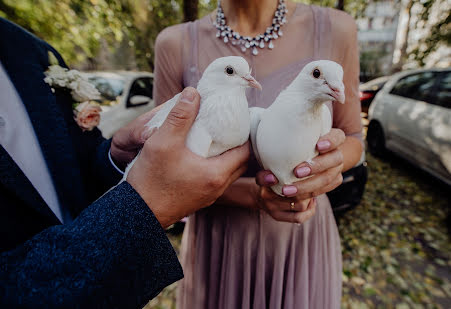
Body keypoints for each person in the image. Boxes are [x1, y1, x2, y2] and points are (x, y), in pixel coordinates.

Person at [0, 18, 249, 308]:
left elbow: (67, 163)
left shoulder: (26, 47)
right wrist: (144, 207)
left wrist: (115, 156)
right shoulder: (174, 43)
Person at [153, 0, 363, 307]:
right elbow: (163, 165)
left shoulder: (336, 28)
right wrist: (254, 195)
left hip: (301, 237)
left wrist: (329, 164)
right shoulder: (174, 43)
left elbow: (354, 137)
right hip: (219, 242)